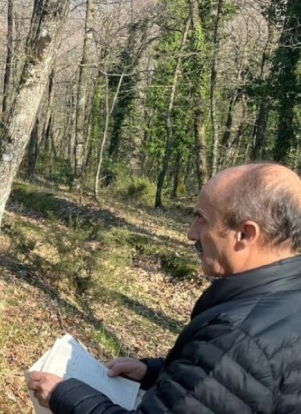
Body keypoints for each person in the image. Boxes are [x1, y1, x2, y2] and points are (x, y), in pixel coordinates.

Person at [27, 162, 301, 413]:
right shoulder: (288, 295)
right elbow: (235, 388)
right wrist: (152, 372)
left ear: (245, 234)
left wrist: (64, 395)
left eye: (202, 219)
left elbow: (230, 369)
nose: (191, 233)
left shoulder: (238, 337)